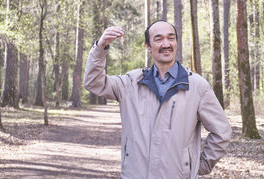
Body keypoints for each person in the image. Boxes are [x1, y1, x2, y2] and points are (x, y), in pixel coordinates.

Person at [83, 20, 231, 179]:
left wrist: (198, 165)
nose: (166, 44)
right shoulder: (130, 83)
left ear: (176, 42)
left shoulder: (197, 86)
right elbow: (94, 83)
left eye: (171, 38)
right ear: (148, 46)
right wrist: (100, 48)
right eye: (159, 39)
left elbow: (221, 131)